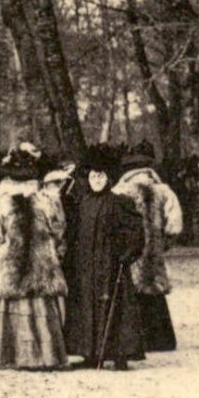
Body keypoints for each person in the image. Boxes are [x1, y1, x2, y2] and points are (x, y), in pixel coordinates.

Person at [0, 147, 70, 369]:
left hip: (11, 265)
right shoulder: (47, 201)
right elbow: (59, 231)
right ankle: (45, 355)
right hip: (42, 265)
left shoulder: (1, 203)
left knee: (11, 306)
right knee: (41, 307)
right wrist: (55, 252)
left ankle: (13, 354)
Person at [64, 144, 147, 370]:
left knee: (116, 306)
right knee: (86, 307)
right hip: (86, 267)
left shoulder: (120, 202)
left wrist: (127, 254)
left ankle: (119, 354)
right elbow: (73, 234)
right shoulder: (82, 203)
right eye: (93, 175)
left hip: (110, 265)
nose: (97, 180)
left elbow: (135, 232)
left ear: (109, 177)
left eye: (101, 175)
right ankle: (89, 353)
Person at [112, 140, 181, 352]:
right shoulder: (164, 190)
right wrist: (163, 244)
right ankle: (161, 340)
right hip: (155, 252)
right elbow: (174, 226)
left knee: (131, 290)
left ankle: (135, 340)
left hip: (130, 252)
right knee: (155, 290)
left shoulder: (120, 191)